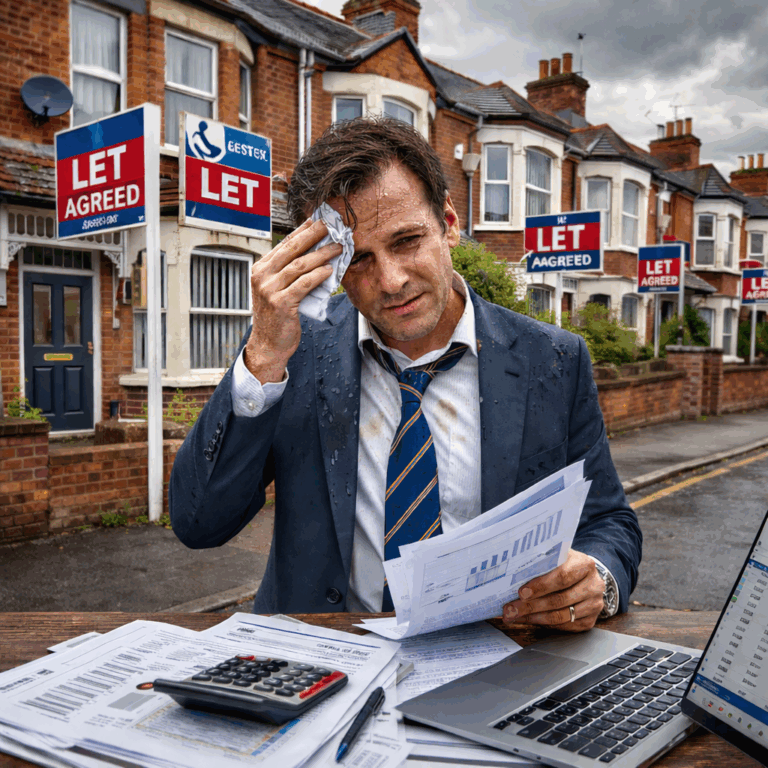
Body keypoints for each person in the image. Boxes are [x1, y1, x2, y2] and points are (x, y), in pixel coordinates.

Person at [169, 117, 641, 632]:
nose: (390, 281)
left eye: (407, 240)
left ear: (449, 223)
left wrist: (597, 577)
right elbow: (199, 523)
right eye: (359, 259)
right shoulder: (291, 353)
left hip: (489, 662)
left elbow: (607, 522)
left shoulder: (553, 360)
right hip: (321, 666)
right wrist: (261, 357)